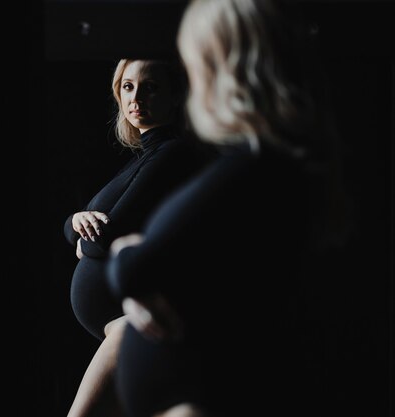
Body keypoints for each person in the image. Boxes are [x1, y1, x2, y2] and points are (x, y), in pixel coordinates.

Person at [106, 1, 350, 417]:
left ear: (222, 69)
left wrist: (126, 249)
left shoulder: (255, 167)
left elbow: (133, 268)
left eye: (195, 63)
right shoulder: (273, 164)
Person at [63, 58, 217, 417]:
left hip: (134, 325)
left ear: (176, 95)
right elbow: (80, 228)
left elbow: (106, 237)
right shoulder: (143, 158)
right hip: (126, 327)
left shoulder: (173, 154)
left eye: (150, 87)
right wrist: (74, 224)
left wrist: (82, 240)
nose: (136, 97)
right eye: (128, 87)